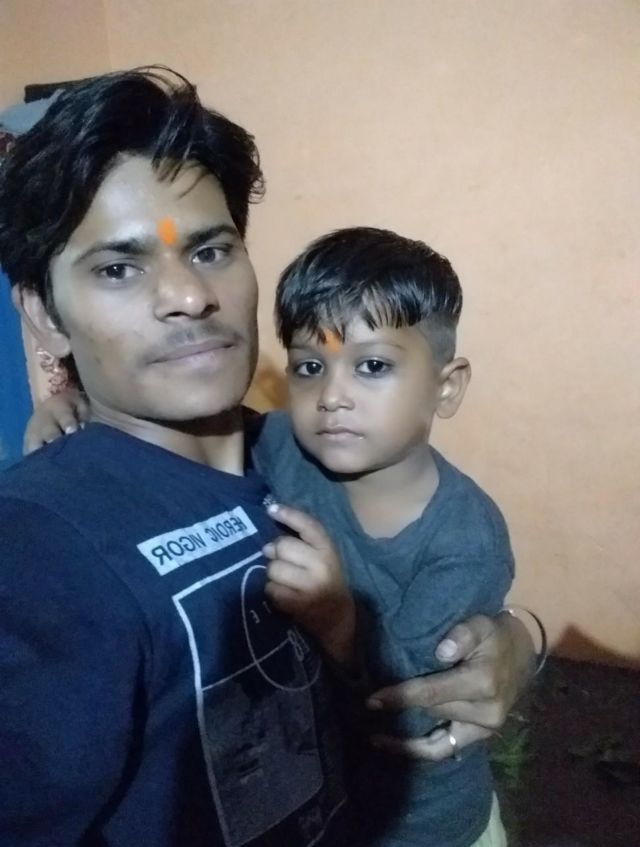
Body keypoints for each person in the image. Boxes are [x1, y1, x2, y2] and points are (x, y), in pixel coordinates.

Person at [7, 68, 535, 846]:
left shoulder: (298, 451)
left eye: (211, 249)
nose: (189, 295)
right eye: (119, 267)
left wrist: (521, 634)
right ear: (44, 315)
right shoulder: (40, 549)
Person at [250, 227, 516, 846]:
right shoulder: (284, 445)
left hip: (422, 825)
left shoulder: (464, 538)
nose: (332, 396)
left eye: (372, 366)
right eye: (310, 367)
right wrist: (76, 407)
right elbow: (200, 430)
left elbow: (420, 713)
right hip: (323, 808)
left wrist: (339, 619)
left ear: (445, 387)